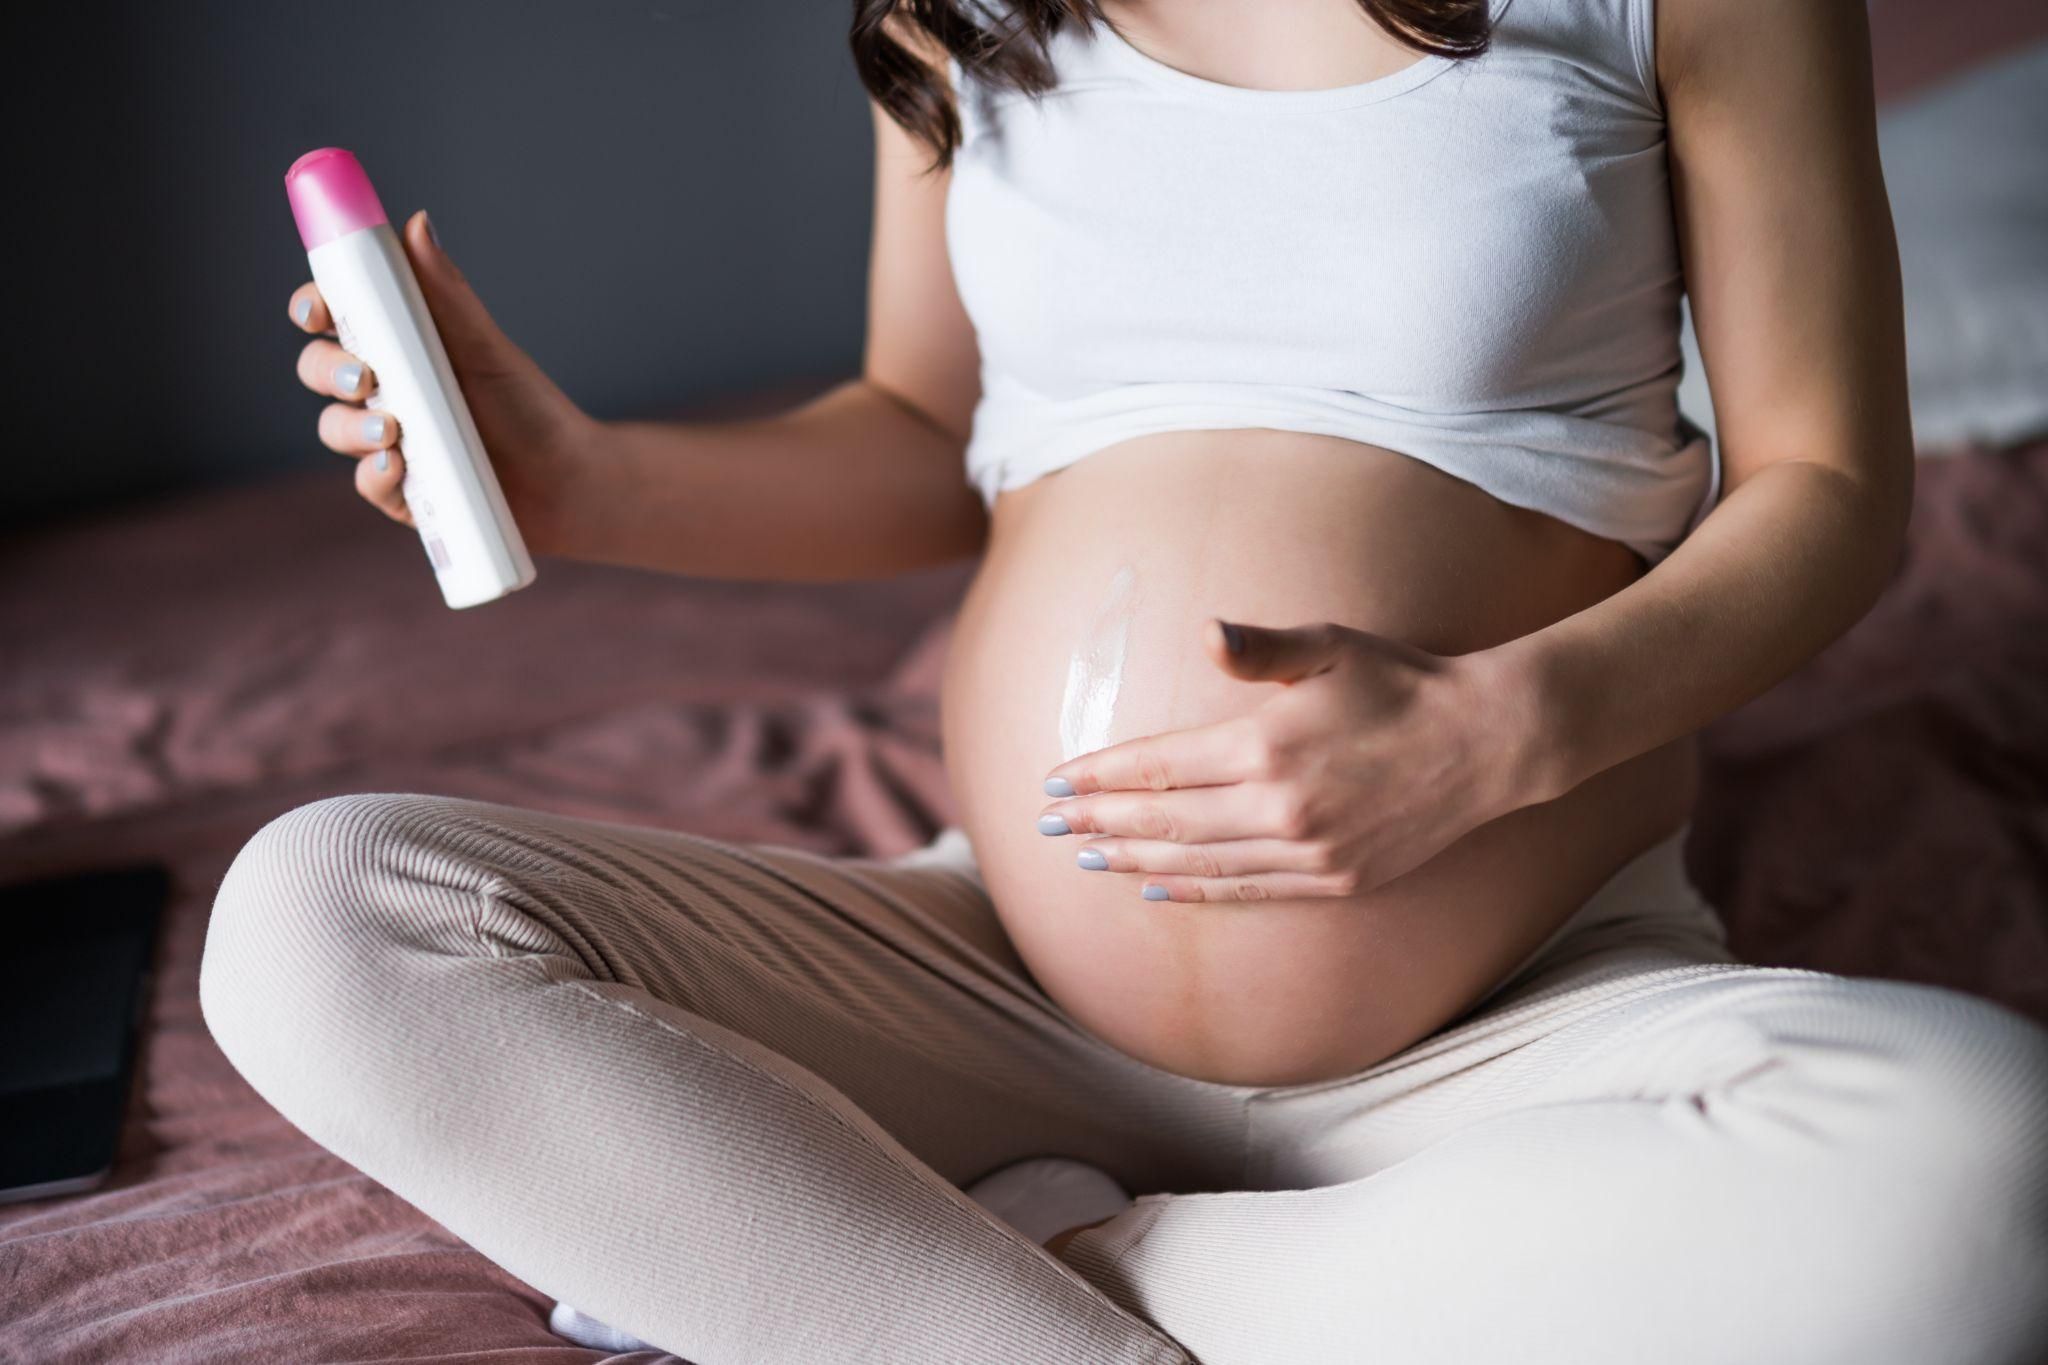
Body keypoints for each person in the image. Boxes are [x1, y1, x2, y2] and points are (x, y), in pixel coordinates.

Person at [201, 0, 2048, 1360]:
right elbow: (928, 429)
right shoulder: (958, 4)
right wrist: (586, 478)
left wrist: (1500, 732)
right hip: (986, 983)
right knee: (318, 917)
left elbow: (1826, 488)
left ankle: (975, 1277)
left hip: (1527, 1003)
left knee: (1986, 1171)